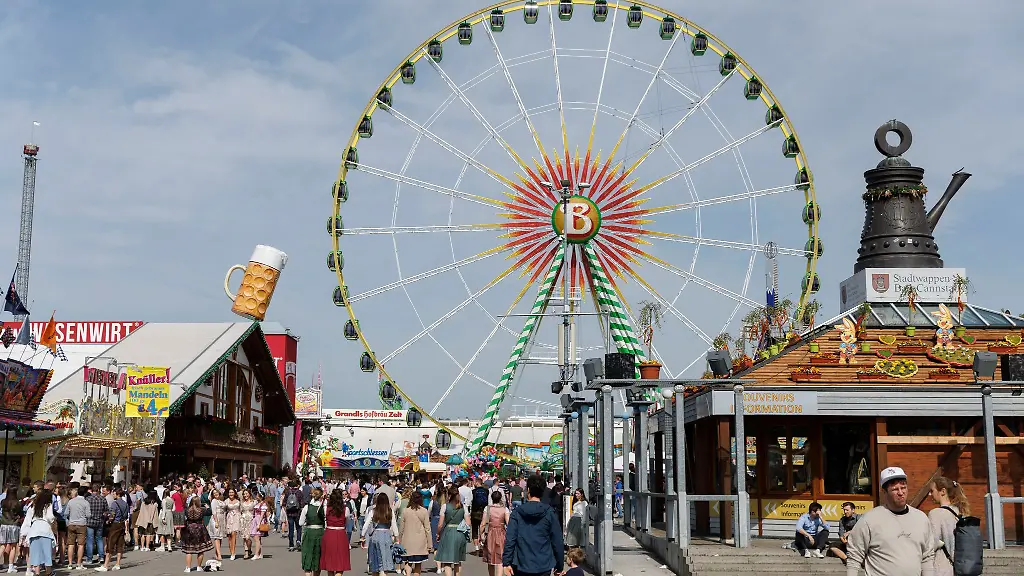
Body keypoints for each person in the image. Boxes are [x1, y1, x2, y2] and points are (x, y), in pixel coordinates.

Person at [846, 466, 936, 576]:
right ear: (884, 492)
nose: (900, 492)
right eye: (895, 489)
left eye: (903, 487)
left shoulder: (921, 519)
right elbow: (854, 556)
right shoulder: (870, 520)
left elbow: (927, 556)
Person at [501, 475, 564, 576]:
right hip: (544, 563)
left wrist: (506, 562)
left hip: (521, 563)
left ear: (528, 490)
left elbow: (510, 538)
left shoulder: (517, 512)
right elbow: (557, 540)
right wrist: (559, 565)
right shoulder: (549, 513)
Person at [928, 476, 970, 576]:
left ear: (943, 491)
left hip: (941, 568)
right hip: (960, 568)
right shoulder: (961, 512)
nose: (930, 494)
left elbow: (931, 545)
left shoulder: (935, 514)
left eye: (932, 491)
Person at [19, 489, 56, 576]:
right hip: (45, 530)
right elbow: (50, 517)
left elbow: (28, 520)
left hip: (34, 530)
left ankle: (37, 573)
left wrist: (23, 533)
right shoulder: (48, 505)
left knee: (35, 554)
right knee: (47, 553)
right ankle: (48, 572)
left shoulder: (33, 505)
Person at [361, 493, 397, 576]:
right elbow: (394, 526)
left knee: (375, 561)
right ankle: (383, 572)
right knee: (385, 561)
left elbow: (366, 525)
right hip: (386, 536)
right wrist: (396, 538)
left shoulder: (373, 511)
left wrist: (362, 536)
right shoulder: (390, 511)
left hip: (376, 535)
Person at [435, 486, 467, 576]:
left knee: (447, 561)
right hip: (460, 533)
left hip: (448, 533)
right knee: (458, 561)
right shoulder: (463, 507)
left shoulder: (445, 506)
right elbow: (468, 522)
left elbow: (440, 524)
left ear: (449, 495)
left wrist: (438, 533)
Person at [320, 488, 352, 576]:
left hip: (329, 533)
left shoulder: (327, 508)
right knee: (341, 561)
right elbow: (347, 521)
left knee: (330, 562)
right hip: (341, 533)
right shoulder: (345, 509)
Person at [97, 487, 128, 571]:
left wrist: (108, 520)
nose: (113, 495)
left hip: (115, 524)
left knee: (110, 544)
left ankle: (105, 565)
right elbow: (126, 516)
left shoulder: (115, 503)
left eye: (114, 494)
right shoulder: (125, 503)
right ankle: (117, 564)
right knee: (119, 544)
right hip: (122, 524)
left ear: (117, 494)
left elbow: (112, 515)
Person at [180, 496, 214, 573]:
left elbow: (184, 518)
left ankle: (188, 568)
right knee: (200, 549)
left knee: (189, 550)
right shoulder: (202, 510)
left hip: (189, 528)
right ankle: (199, 566)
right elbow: (210, 512)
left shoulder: (186, 510)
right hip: (199, 528)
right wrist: (207, 507)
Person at [398, 490, 429, 576]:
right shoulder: (424, 511)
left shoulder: (405, 511)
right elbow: (427, 529)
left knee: (408, 562)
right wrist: (430, 544)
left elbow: (401, 528)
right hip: (420, 541)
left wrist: (399, 539)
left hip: (407, 540)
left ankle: (408, 574)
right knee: (418, 563)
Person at [479, 491, 509, 576]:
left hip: (490, 533)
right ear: (500, 498)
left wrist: (481, 534)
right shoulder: (505, 509)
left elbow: (483, 523)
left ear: (492, 498)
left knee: (490, 556)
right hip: (501, 533)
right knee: (500, 557)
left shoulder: (487, 508)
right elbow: (508, 523)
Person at [300, 487, 326, 576]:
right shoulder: (323, 507)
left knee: (308, 555)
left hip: (309, 532)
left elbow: (300, 522)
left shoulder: (307, 507)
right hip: (320, 532)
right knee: (318, 557)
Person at [1, 488, 24, 573]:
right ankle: (10, 566)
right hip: (14, 525)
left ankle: (6, 564)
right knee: (13, 547)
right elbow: (21, 514)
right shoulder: (18, 503)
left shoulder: (3, 502)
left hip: (3, 525)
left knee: (2, 546)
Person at [85, 485, 108, 564]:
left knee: (90, 540)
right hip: (99, 521)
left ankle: (89, 558)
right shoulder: (102, 498)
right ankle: (101, 557)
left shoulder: (88, 499)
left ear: (91, 490)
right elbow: (106, 510)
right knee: (99, 539)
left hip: (89, 522)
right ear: (98, 490)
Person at [249, 496, 270, 560]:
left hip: (259, 521)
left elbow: (262, 515)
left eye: (257, 495)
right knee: (258, 538)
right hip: (255, 520)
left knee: (256, 538)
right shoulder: (257, 503)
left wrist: (258, 524)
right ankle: (260, 553)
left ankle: (256, 554)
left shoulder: (263, 504)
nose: (256, 496)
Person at [284, 481, 304, 552]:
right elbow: (302, 503)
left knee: (291, 529)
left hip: (289, 513)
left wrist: (286, 510)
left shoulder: (288, 492)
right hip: (297, 513)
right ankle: (298, 540)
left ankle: (291, 545)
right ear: (297, 485)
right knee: (299, 528)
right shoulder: (299, 492)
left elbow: (284, 503)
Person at [223, 489, 241, 560]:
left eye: (232, 492)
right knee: (229, 536)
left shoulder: (238, 501)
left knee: (234, 534)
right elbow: (223, 510)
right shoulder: (226, 501)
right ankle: (231, 551)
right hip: (229, 518)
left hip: (236, 517)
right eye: (230, 492)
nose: (231, 494)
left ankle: (233, 553)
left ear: (234, 493)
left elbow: (241, 509)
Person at [239, 490, 255, 559]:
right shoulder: (241, 503)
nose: (245, 495)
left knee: (248, 537)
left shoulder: (253, 502)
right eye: (244, 494)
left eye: (246, 494)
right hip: (243, 520)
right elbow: (240, 511)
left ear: (249, 494)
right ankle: (246, 552)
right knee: (245, 537)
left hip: (251, 520)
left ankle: (249, 548)